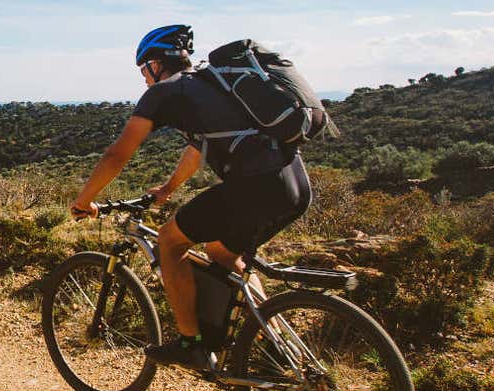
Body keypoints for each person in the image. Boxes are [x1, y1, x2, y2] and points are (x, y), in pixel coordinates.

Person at [69, 24, 313, 370]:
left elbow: (117, 155)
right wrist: (168, 189)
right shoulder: (212, 84)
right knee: (221, 252)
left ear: (155, 64)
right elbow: (197, 150)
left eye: (143, 70)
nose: (143, 79)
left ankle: (191, 344)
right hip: (295, 184)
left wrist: (84, 200)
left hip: (256, 186)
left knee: (170, 241)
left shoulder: (166, 91)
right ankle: (278, 346)